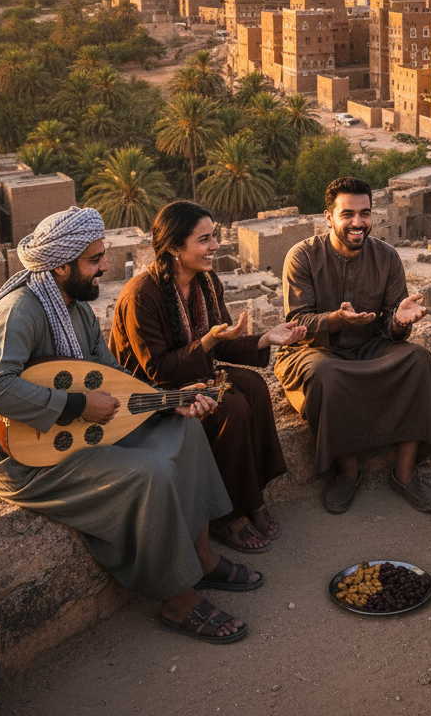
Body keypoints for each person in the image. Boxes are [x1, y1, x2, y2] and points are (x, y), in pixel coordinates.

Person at [0, 207, 261, 645]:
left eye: (103, 256)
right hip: (27, 457)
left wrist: (168, 404)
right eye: (94, 260)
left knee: (186, 432)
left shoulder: (78, 312)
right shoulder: (20, 312)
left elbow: (116, 384)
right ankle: (177, 601)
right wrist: (76, 404)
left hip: (76, 429)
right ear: (61, 265)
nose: (105, 267)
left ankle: (201, 558)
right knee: (152, 473)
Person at [110, 200, 307, 553]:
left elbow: (223, 346)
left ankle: (250, 497)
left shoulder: (206, 281)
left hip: (195, 372)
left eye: (214, 236)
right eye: (204, 239)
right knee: (230, 407)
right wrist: (210, 339)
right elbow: (157, 369)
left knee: (255, 386)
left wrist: (265, 338)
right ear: (174, 247)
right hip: (151, 394)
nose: (215, 246)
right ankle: (223, 515)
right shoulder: (142, 295)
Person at [275, 176, 431, 514]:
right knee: (327, 375)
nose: (358, 223)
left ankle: (405, 473)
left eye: (365, 213)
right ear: (329, 217)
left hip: (369, 347)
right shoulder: (302, 257)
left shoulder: (387, 257)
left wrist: (399, 321)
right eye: (348, 214)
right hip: (312, 351)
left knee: (418, 360)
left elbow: (391, 327)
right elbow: (297, 326)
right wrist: (338, 319)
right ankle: (347, 471)